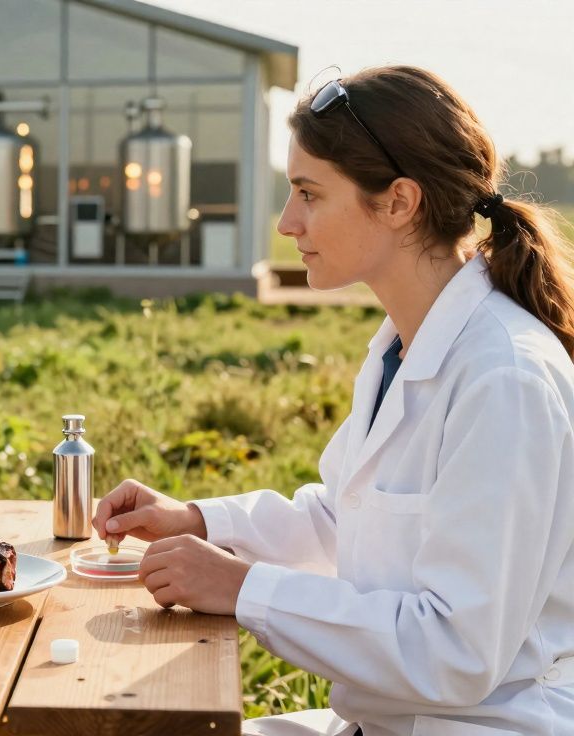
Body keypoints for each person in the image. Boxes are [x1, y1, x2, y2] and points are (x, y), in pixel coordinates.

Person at [94, 66, 574, 736]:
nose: (287, 223)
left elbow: (460, 652)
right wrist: (196, 520)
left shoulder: (505, 380)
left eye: (309, 194)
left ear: (398, 202)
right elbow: (347, 520)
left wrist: (242, 590)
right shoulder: (401, 349)